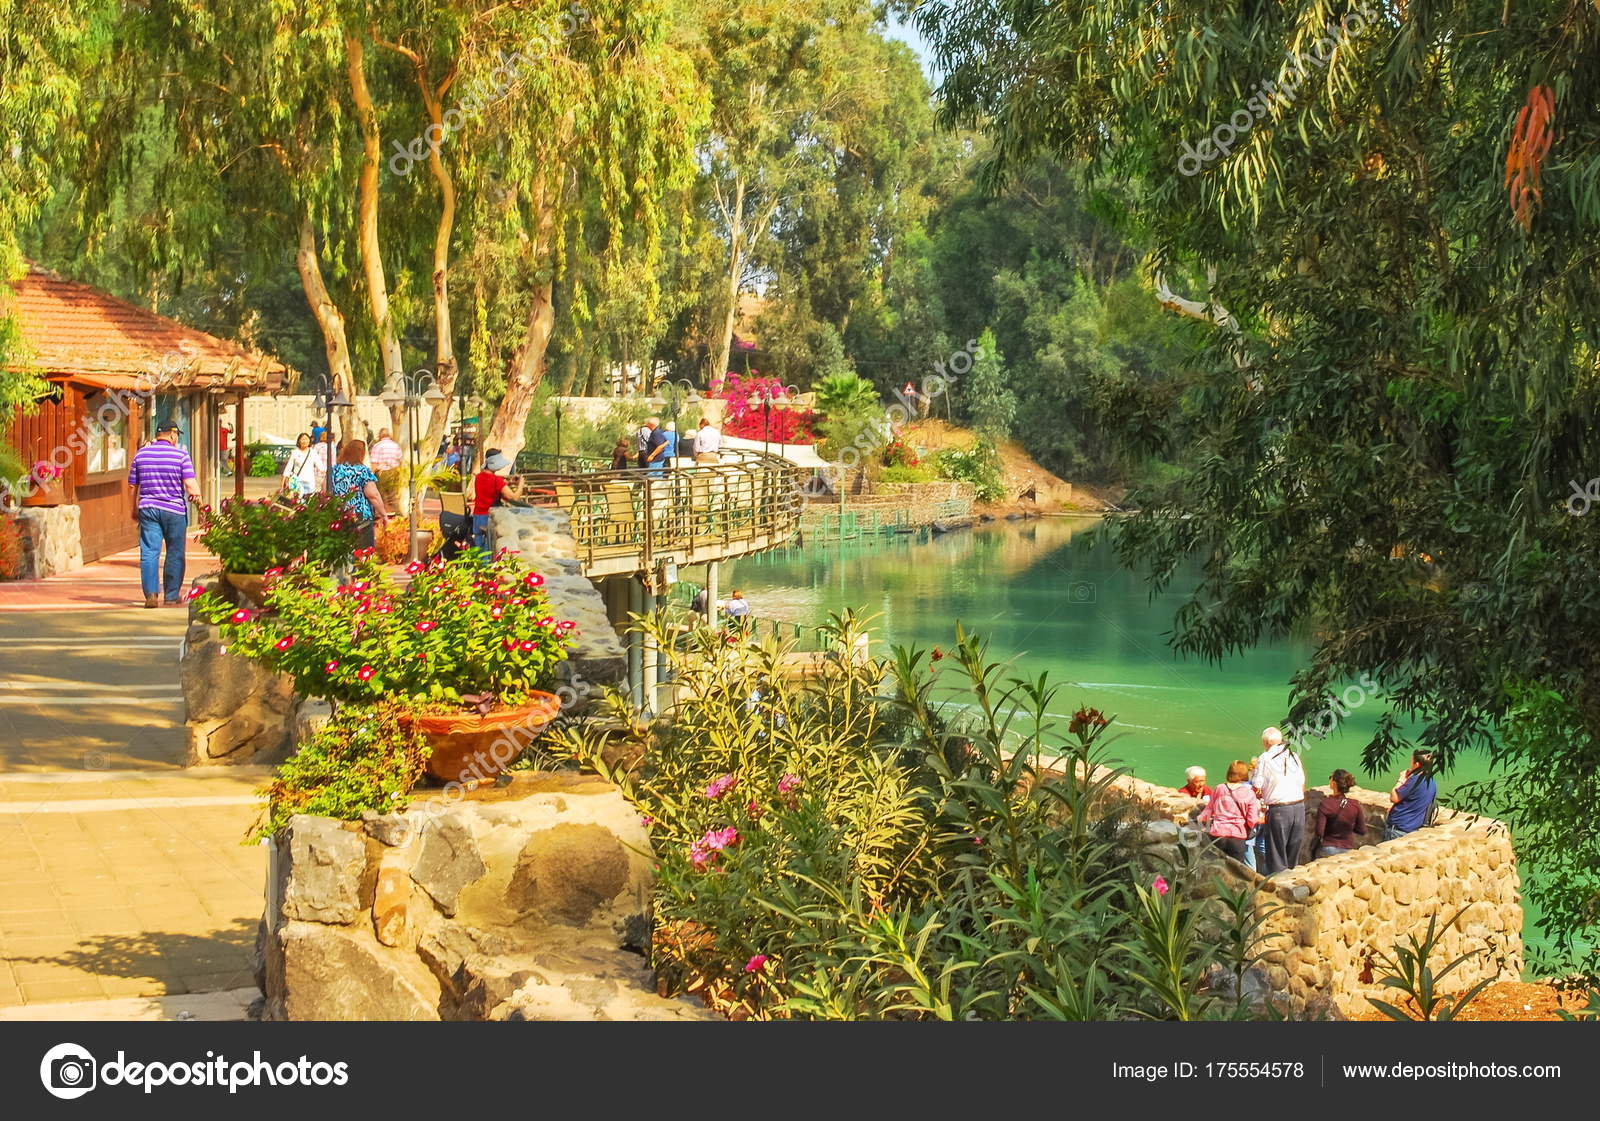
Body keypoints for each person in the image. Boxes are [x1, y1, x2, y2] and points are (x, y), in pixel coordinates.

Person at [128, 421, 202, 607]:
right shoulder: (181, 455)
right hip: (174, 511)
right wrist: (201, 506)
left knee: (149, 552)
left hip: (148, 508)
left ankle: (151, 595)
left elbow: (132, 485)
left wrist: (133, 508)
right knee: (175, 552)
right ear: (173, 434)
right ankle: (171, 595)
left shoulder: (141, 454)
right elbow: (191, 485)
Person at [1251, 727, 1306, 875]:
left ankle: (1278, 889)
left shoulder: (1264, 757)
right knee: (1292, 853)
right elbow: (1302, 782)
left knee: (1276, 854)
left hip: (1279, 809)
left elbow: (1256, 786)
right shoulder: (1293, 755)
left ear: (1265, 742)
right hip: (1299, 807)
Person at [329, 439, 392, 552]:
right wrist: (384, 515)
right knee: (363, 552)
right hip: (360, 515)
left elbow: (326, 490)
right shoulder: (362, 471)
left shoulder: (334, 470)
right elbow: (373, 495)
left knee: (343, 551)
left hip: (338, 513)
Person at [1198, 760, 1260, 863]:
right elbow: (1251, 820)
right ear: (1244, 774)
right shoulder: (1249, 793)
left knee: (1216, 868)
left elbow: (1207, 811)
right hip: (1237, 836)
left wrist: (1199, 822)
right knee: (1235, 871)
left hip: (1218, 835)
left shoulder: (1219, 788)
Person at [472, 449, 525, 551]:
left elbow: (488, 490)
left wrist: (507, 484)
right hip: (489, 518)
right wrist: (521, 484)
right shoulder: (496, 480)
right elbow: (514, 498)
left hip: (477, 515)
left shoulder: (478, 477)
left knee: (478, 547)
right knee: (488, 549)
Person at [1385, 750, 1438, 840]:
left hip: (1398, 830)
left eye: (1412, 762)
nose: (1411, 765)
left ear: (1417, 765)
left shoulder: (1414, 780)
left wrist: (1401, 779)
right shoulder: (1432, 782)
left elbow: (1394, 798)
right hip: (1413, 830)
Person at [1316, 769, 1367, 857]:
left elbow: (1319, 832)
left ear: (1334, 784)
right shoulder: (1355, 805)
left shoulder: (1326, 803)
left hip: (1329, 847)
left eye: (1330, 778)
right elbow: (1362, 830)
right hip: (1348, 849)